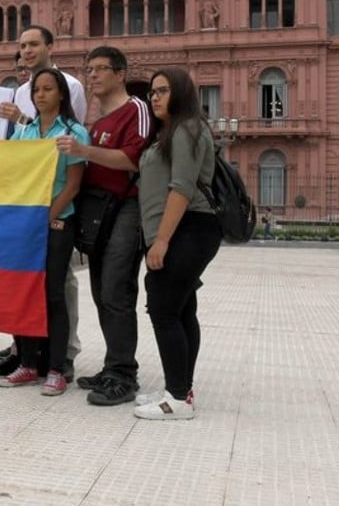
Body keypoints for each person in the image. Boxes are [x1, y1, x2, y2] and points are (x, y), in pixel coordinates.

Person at [57, 45, 152, 406]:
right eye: (89, 69)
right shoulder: (97, 121)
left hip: (127, 208)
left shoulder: (136, 110)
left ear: (120, 74)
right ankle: (113, 366)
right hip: (99, 211)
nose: (92, 75)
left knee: (116, 290)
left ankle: (124, 374)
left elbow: (134, 159)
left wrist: (83, 152)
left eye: (100, 69)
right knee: (101, 292)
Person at [0, 24, 87, 381]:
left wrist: (49, 213)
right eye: (22, 46)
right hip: (27, 218)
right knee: (26, 287)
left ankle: (61, 359)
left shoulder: (74, 110)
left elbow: (74, 172)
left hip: (56, 216)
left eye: (34, 44)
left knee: (57, 289)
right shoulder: (23, 115)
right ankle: (28, 357)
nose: (27, 50)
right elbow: (17, 161)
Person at [132, 67, 221, 420]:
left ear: (181, 93)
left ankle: (178, 398)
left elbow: (182, 187)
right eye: (152, 91)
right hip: (185, 230)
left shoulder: (186, 129)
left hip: (187, 229)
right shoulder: (173, 131)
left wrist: (162, 241)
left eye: (163, 90)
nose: (154, 97)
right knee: (182, 310)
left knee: (165, 309)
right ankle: (181, 387)